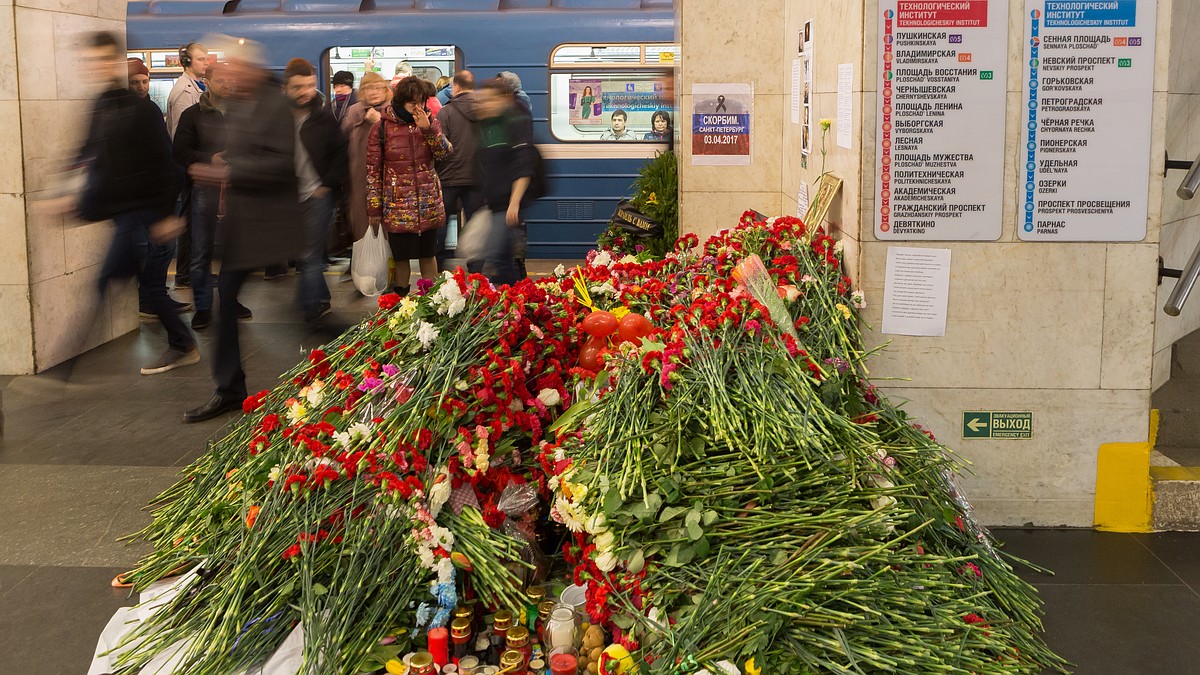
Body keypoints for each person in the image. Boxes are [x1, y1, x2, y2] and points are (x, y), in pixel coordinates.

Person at [184, 36, 302, 423]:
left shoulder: (274, 104)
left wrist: (229, 171)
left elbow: (283, 165)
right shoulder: (241, 103)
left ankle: (359, 364)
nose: (228, 73)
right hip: (244, 226)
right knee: (225, 303)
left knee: (307, 316)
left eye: (234, 66)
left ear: (252, 68)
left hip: (269, 225)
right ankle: (230, 389)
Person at [75, 32, 197, 375]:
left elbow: (166, 163)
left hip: (144, 212)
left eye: (101, 60)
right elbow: (90, 153)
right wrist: (68, 193)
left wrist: (163, 215)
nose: (95, 67)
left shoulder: (141, 110)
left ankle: (65, 372)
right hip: (125, 212)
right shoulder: (102, 105)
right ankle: (182, 344)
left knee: (108, 280)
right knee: (146, 284)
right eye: (90, 61)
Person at [173, 63, 247, 330]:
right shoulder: (193, 115)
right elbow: (179, 150)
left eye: (231, 79)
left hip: (237, 187)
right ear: (208, 81)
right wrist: (209, 159)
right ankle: (203, 307)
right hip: (205, 186)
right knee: (201, 250)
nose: (228, 84)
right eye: (222, 80)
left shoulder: (242, 114)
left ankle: (230, 301)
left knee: (235, 249)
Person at [366, 76, 450, 296]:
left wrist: (429, 129)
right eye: (412, 102)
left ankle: (432, 303)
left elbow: (444, 153)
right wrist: (374, 208)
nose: (418, 107)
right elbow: (373, 171)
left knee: (428, 255)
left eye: (421, 101)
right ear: (400, 101)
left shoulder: (431, 122)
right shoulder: (381, 128)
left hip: (428, 202)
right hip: (397, 206)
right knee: (401, 258)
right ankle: (400, 305)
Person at [284, 57, 349, 323]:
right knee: (304, 252)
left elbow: (341, 154)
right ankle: (321, 299)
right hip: (290, 198)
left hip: (318, 196)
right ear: (286, 88)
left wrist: (327, 185)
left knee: (310, 254)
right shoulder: (278, 120)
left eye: (309, 86)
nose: (304, 92)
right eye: (298, 87)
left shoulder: (323, 118)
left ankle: (308, 308)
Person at [129, 56, 192, 322]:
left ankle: (154, 297)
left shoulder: (149, 108)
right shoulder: (140, 111)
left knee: (160, 247)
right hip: (146, 191)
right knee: (162, 247)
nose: (142, 86)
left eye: (145, 81)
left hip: (153, 187)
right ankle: (150, 298)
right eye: (135, 82)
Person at [471, 77, 536, 286]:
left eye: (490, 100)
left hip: (508, 203)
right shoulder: (487, 125)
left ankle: (515, 303)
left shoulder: (516, 121)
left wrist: (514, 203)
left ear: (504, 99)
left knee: (500, 257)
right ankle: (513, 301)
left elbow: (523, 165)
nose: (485, 105)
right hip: (493, 202)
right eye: (483, 100)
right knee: (501, 258)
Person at [167, 42, 209, 291]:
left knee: (194, 219)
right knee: (190, 220)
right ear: (187, 61)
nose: (206, 63)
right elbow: (183, 136)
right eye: (202, 59)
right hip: (188, 167)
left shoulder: (195, 87)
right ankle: (185, 273)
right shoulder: (184, 92)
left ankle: (192, 271)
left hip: (193, 164)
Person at [435, 69, 483, 269]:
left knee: (442, 221)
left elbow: (439, 145)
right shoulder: (484, 111)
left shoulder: (445, 111)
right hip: (477, 176)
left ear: (455, 87)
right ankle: (476, 266)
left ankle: (440, 264)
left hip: (448, 176)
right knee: (476, 222)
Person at [341, 71, 391, 243]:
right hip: (359, 173)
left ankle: (389, 259)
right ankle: (363, 255)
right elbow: (342, 140)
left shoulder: (393, 110)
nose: (373, 92)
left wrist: (379, 122)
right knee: (360, 215)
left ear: (386, 90)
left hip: (388, 173)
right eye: (368, 88)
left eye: (378, 87)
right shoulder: (353, 112)